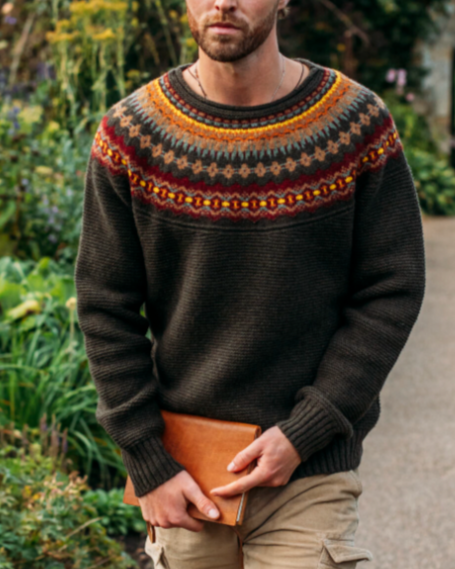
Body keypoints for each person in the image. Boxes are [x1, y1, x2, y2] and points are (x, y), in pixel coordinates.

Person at [74, 0, 427, 567]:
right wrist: (148, 463)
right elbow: (104, 305)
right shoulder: (131, 135)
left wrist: (306, 431)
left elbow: (392, 287)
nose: (223, 2)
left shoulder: (356, 124)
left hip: (309, 474)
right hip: (188, 476)